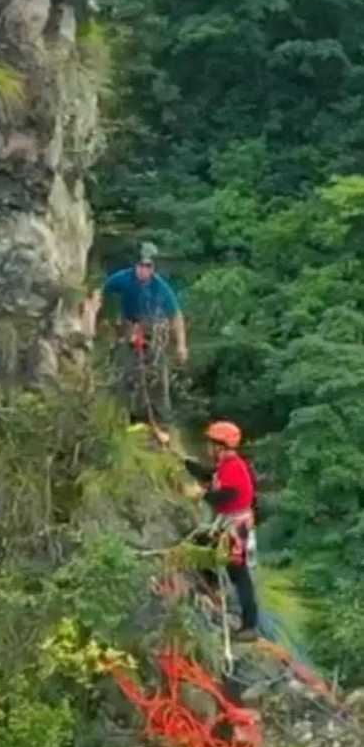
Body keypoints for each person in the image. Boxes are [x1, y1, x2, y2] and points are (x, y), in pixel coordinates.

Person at [92, 242, 188, 422]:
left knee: (157, 374)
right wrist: (97, 315)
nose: (144, 270)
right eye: (141, 266)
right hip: (129, 327)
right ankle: (123, 414)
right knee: (128, 371)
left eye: (148, 267)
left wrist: (182, 345)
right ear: (135, 266)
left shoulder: (160, 286)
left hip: (154, 330)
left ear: (153, 269)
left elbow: (176, 315)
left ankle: (161, 418)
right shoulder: (123, 278)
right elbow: (101, 289)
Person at [184, 420, 259, 642]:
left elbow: (228, 495)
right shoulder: (226, 464)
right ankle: (212, 589)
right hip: (229, 522)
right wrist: (183, 462)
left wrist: (201, 495)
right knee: (204, 546)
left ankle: (249, 626)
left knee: (239, 573)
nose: (207, 448)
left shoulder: (234, 466)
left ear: (220, 446)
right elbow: (209, 475)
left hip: (236, 526)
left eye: (210, 444)